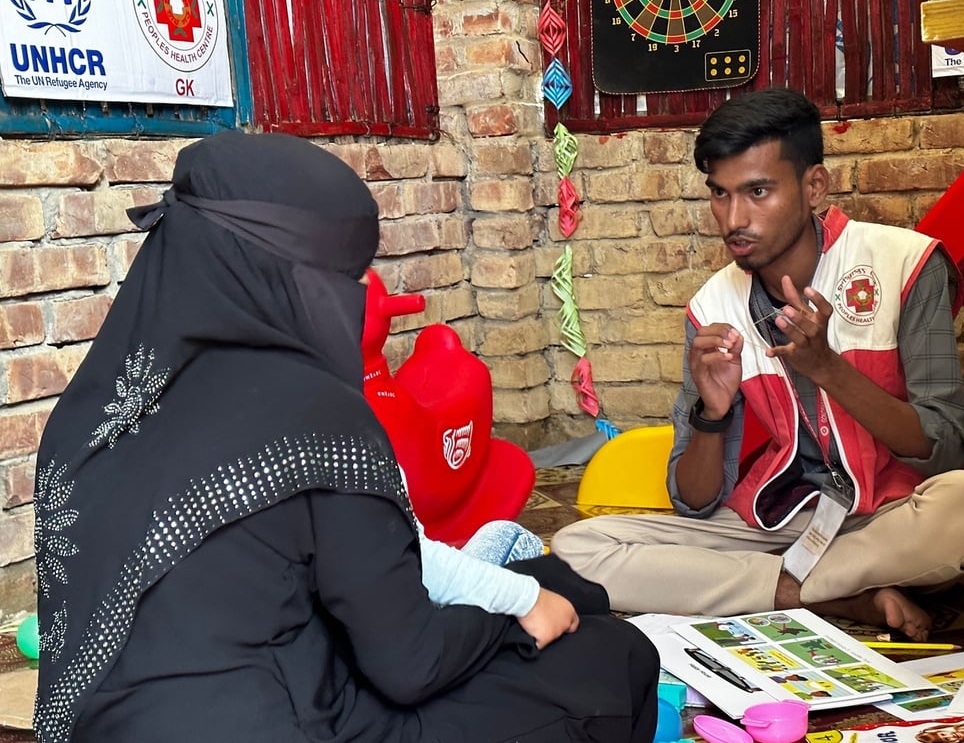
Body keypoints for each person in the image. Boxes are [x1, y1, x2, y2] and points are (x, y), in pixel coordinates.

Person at [32, 131, 658, 743]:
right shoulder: (315, 421)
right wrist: (518, 624)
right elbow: (411, 663)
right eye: (348, 274)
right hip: (280, 721)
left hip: (102, 725)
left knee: (555, 584)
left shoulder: (89, 412)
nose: (361, 296)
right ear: (294, 277)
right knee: (612, 655)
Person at [551, 87, 964, 640]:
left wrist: (829, 370)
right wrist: (712, 415)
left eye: (758, 192)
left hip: (888, 523)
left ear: (814, 186)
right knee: (579, 549)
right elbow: (693, 501)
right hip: (780, 526)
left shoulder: (906, 265)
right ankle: (821, 593)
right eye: (720, 195)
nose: (734, 218)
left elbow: (945, 447)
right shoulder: (712, 307)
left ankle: (797, 590)